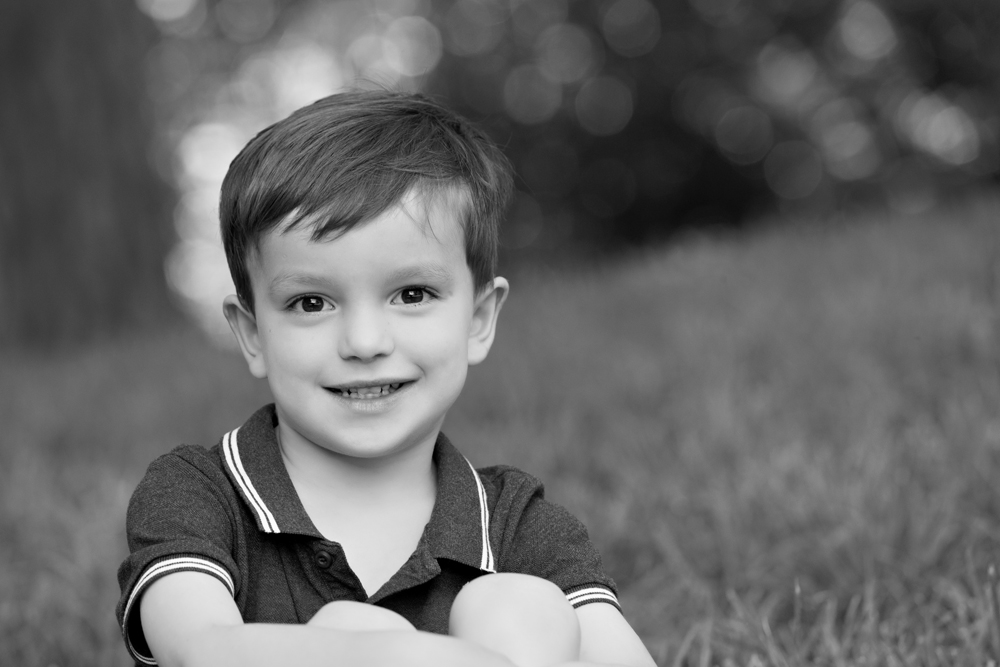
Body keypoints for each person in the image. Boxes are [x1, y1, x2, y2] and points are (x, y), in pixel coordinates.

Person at [116, 90, 656, 667]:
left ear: (478, 320)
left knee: (517, 605)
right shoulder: (200, 493)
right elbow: (203, 650)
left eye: (412, 294)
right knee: (348, 625)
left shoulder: (514, 522)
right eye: (311, 303)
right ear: (252, 335)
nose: (365, 343)